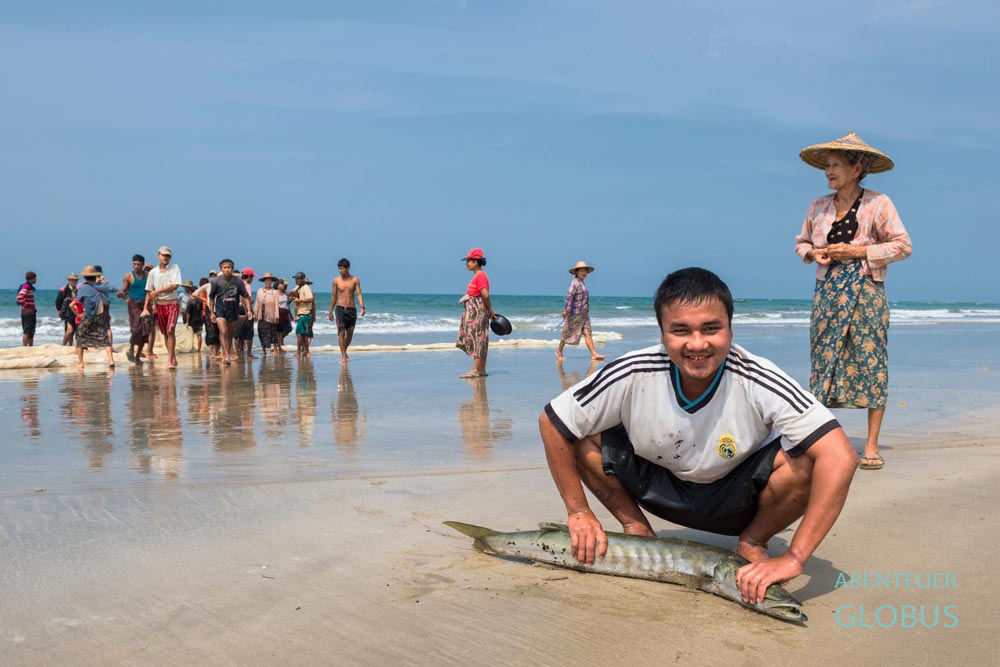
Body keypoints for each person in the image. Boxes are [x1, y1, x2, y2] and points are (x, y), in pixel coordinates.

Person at [539, 267, 859, 606]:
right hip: (656, 489)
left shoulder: (758, 377)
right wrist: (578, 512)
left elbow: (841, 456)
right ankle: (636, 528)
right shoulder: (634, 371)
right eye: (680, 330)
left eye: (711, 328)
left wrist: (795, 558)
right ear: (662, 334)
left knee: (811, 457)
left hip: (738, 504)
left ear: (731, 329)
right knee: (582, 432)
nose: (697, 344)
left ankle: (753, 541)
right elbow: (552, 421)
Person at [794, 132, 913, 472]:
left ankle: (871, 445)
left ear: (856, 168)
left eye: (835, 166)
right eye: (827, 166)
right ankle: (819, 441)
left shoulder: (879, 203)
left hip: (866, 292)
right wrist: (812, 253)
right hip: (828, 292)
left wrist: (859, 251)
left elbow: (903, 245)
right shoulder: (818, 206)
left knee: (872, 361)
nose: (828, 172)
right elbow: (800, 242)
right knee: (823, 360)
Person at [456, 248, 495, 378]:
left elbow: (485, 294)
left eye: (469, 261)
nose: (467, 263)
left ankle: (475, 370)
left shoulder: (481, 276)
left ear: (476, 262)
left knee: (478, 338)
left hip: (478, 310)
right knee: (480, 337)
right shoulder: (477, 276)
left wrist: (490, 310)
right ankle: (481, 369)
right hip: (476, 310)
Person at [144, 246, 183, 369]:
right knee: (166, 333)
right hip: (160, 305)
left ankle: (170, 360)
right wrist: (146, 307)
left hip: (173, 304)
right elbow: (149, 291)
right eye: (163, 255)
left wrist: (158, 291)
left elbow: (175, 286)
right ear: (158, 255)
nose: (165, 257)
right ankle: (172, 357)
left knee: (171, 330)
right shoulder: (153, 272)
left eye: (168, 256)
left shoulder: (175, 268)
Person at [557, 261, 605, 361]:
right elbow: (569, 297)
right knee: (567, 333)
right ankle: (559, 351)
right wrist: (566, 310)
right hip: (575, 314)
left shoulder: (582, 283)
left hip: (584, 314)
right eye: (582, 270)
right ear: (577, 272)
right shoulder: (574, 282)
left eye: (585, 271)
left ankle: (594, 354)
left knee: (588, 333)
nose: (584, 273)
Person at [208, 259, 252, 365]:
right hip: (220, 311)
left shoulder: (238, 281)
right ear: (221, 269)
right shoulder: (216, 281)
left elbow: (246, 296)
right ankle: (226, 356)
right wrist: (212, 312)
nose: (227, 270)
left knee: (230, 334)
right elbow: (211, 297)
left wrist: (249, 310)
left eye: (229, 267)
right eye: (225, 268)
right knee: (223, 332)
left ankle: (227, 351)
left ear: (232, 269)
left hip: (233, 310)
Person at [74, 266, 117, 369]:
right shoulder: (101, 285)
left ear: (85, 278)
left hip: (88, 316)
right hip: (100, 316)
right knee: (105, 337)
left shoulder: (83, 287)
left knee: (80, 337)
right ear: (95, 276)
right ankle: (111, 360)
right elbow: (114, 288)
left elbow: (79, 300)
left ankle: (81, 363)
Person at [328, 258, 366, 364]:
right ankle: (343, 355)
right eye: (339, 269)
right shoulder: (336, 281)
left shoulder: (355, 280)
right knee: (341, 333)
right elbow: (333, 296)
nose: (340, 270)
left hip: (351, 310)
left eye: (342, 268)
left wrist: (362, 306)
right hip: (340, 309)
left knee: (350, 334)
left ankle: (344, 350)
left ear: (347, 268)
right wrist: (330, 311)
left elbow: (358, 293)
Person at [118, 255, 150, 363]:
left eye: (138, 264)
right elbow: (123, 290)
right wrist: (123, 296)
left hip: (146, 304)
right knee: (136, 329)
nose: (136, 266)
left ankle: (137, 356)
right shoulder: (128, 276)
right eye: (134, 264)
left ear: (142, 265)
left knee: (145, 331)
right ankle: (131, 348)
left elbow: (151, 291)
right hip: (134, 305)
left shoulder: (147, 275)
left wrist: (153, 304)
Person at [254, 272, 282, 357]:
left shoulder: (275, 292)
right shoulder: (259, 291)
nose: (267, 282)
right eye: (266, 280)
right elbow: (257, 303)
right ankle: (263, 350)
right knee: (261, 332)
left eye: (269, 280)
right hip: (261, 315)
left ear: (272, 282)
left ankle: (275, 349)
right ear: (264, 281)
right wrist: (255, 313)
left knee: (273, 333)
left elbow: (277, 304)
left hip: (271, 315)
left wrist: (276, 316)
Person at [289, 272, 314, 357]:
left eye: (298, 279)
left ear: (303, 279)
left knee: (299, 333)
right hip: (301, 314)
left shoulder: (306, 287)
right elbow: (292, 292)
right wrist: (291, 294)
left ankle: (299, 352)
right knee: (303, 334)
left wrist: (299, 300)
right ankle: (306, 351)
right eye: (295, 279)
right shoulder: (299, 287)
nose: (296, 280)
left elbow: (310, 299)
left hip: (305, 314)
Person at [234, 268, 258, 359]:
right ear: (248, 276)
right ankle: (249, 353)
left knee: (237, 333)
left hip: (236, 309)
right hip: (245, 309)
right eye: (252, 277)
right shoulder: (246, 285)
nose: (252, 279)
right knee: (248, 333)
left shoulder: (236, 284)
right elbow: (247, 298)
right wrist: (249, 308)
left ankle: (236, 353)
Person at [56, 273, 80, 346]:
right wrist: (59, 311)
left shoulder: (77, 289)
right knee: (69, 331)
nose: (74, 282)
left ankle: (70, 346)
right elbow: (58, 301)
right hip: (67, 312)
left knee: (74, 331)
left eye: (75, 280)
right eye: (72, 280)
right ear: (69, 280)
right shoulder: (63, 289)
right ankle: (63, 345)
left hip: (76, 311)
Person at [16, 271, 37, 347]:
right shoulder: (26, 286)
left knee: (31, 331)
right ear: (32, 278)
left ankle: (30, 347)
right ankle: (24, 348)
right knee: (27, 331)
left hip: (30, 312)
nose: (36, 280)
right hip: (27, 312)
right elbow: (20, 297)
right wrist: (26, 306)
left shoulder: (29, 287)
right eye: (35, 278)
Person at [184, 281, 205, 353]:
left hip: (192, 321)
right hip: (199, 320)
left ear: (190, 292)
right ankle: (199, 349)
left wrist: (187, 322)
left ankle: (192, 347)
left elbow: (188, 313)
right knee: (199, 335)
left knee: (191, 335)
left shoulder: (190, 301)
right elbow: (201, 311)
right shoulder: (200, 301)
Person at [275, 279, 292, 353]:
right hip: (277, 313)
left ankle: (280, 343)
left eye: (286, 285)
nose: (285, 286)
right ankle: (278, 346)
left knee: (287, 329)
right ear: (277, 285)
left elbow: (287, 305)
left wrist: (290, 315)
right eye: (284, 285)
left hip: (285, 314)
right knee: (277, 331)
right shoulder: (274, 293)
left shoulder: (286, 294)